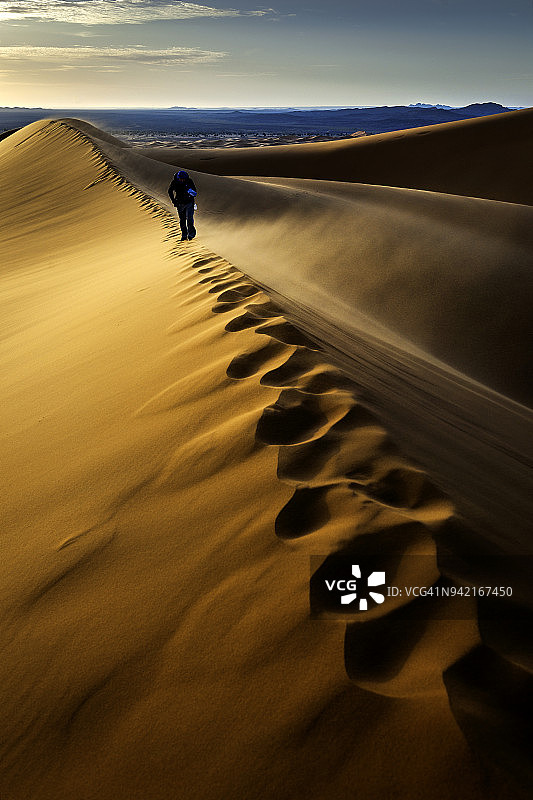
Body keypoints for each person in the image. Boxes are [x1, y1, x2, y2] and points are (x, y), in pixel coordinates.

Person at [168, 170, 198, 241]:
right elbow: (170, 191)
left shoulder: (189, 181)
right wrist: (174, 201)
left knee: (190, 219)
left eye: (183, 179)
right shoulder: (175, 182)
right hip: (180, 204)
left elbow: (195, 192)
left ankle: (191, 235)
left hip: (189, 203)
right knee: (182, 220)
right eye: (181, 179)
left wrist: (189, 190)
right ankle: (184, 235)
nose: (182, 180)